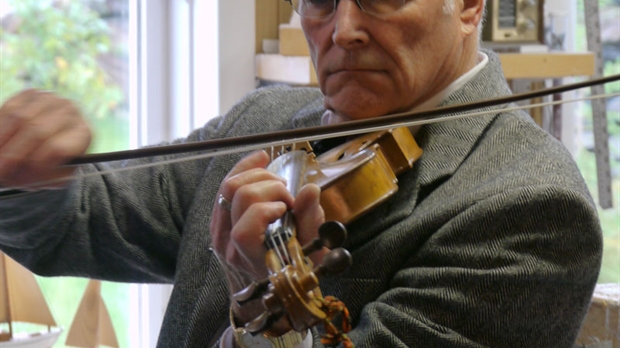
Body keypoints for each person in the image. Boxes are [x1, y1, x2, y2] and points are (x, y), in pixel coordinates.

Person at [0, 0, 603, 347]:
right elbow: (80, 222)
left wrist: (266, 314)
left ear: (469, 4)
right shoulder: (266, 119)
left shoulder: (532, 207)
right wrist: (25, 166)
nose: (343, 30)